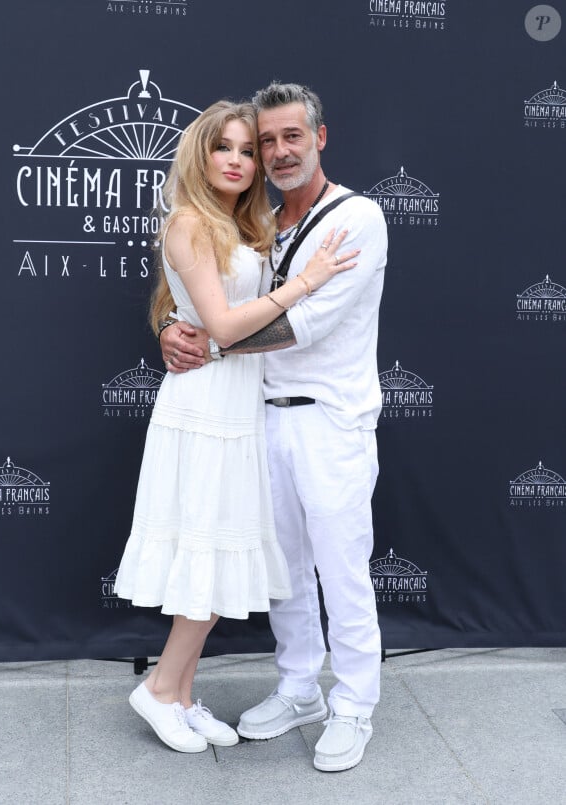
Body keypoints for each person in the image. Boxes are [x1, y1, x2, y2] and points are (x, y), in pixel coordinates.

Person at [114, 99, 358, 755]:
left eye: (248, 151)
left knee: (222, 551)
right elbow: (221, 326)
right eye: (226, 147)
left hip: (236, 405)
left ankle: (183, 694)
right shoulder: (190, 221)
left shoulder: (233, 225)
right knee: (206, 550)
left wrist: (177, 322)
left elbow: (200, 313)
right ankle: (162, 689)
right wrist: (303, 282)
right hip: (204, 409)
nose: (239, 161)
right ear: (201, 153)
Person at [160, 82, 388, 772]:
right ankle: (299, 690)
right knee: (285, 572)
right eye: (267, 142)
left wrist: (207, 340)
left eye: (293, 137)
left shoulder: (359, 218)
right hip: (259, 419)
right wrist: (175, 324)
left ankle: (353, 704)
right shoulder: (262, 223)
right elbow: (214, 294)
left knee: (342, 569)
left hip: (331, 422)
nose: (278, 152)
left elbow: (298, 325)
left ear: (320, 137)